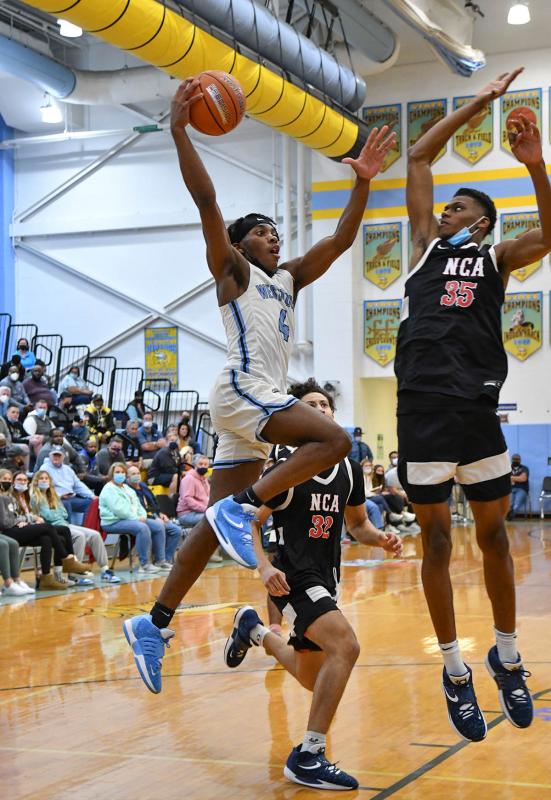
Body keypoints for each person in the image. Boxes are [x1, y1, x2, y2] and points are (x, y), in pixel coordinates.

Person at [122, 80, 396, 695]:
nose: (275, 236)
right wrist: (178, 131)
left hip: (250, 403)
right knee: (333, 439)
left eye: (277, 231)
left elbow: (341, 241)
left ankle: (153, 620)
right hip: (245, 390)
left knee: (205, 531)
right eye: (264, 231)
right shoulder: (234, 270)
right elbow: (207, 202)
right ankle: (245, 506)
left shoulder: (290, 279)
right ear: (242, 244)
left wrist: (363, 181)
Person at [394, 68, 545, 741]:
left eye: (458, 208)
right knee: (433, 539)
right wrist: (477, 104)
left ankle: (506, 655)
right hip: (420, 406)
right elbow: (418, 156)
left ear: (481, 221)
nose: (446, 212)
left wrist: (535, 165)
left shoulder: (498, 258)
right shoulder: (425, 247)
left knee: (491, 539)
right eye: (446, 207)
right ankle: (453, 669)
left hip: (475, 406)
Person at [222, 378, 402, 790]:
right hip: (292, 576)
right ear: (299, 418)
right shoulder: (286, 466)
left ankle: (252, 628)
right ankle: (309, 754)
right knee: (346, 645)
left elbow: (357, 524)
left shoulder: (349, 468)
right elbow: (248, 519)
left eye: (326, 404)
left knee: (311, 677)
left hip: (326, 577)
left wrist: (380, 539)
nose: (321, 409)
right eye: (311, 405)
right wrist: (263, 567)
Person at [30, 470, 120, 584]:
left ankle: (105, 570)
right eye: (41, 478)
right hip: (53, 527)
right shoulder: (35, 497)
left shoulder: (53, 495)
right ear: (36, 481)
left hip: (64, 524)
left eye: (46, 478)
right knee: (79, 536)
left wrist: (54, 513)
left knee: (95, 535)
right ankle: (75, 574)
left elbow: (64, 513)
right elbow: (48, 516)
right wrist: (55, 513)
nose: (44, 480)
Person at [5, 469, 89, 588]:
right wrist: (29, 519)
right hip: (14, 530)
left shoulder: (25, 496)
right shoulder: (9, 496)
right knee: (49, 527)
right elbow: (11, 517)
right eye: (19, 480)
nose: (22, 482)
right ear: (13, 482)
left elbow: (27, 515)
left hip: (26, 527)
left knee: (51, 537)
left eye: (25, 480)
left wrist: (30, 518)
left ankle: (46, 578)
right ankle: (68, 559)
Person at [99, 463, 162, 574]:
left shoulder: (127, 488)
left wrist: (142, 516)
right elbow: (119, 510)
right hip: (113, 521)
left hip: (130, 519)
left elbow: (138, 505)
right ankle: (144, 565)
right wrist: (137, 518)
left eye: (122, 472)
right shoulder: (109, 489)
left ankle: (160, 560)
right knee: (142, 528)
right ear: (111, 474)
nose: (120, 474)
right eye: (117, 472)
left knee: (158, 526)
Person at [126, 465, 181, 570]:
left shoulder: (143, 486)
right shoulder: (127, 489)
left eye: (138, 473)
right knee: (159, 526)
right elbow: (134, 509)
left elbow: (154, 501)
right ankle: (160, 560)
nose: (137, 476)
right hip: (142, 517)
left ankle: (166, 559)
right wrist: (153, 517)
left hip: (154, 515)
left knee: (176, 530)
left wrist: (160, 513)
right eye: (133, 474)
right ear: (127, 477)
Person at [42, 446, 94, 522]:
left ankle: (85, 528)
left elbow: (78, 485)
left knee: (92, 503)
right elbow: (43, 489)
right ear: (50, 456)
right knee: (66, 504)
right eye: (54, 455)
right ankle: (68, 529)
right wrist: (59, 496)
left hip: (71, 497)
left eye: (59, 455)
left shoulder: (68, 469)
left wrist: (92, 496)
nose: (56, 457)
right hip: (55, 499)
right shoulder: (44, 468)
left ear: (63, 457)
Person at [176, 454, 210, 528]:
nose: (203, 466)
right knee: (211, 519)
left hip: (200, 512)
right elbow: (188, 499)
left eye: (205, 464)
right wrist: (205, 509)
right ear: (195, 465)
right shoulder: (189, 479)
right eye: (201, 464)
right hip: (187, 514)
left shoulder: (204, 479)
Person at [509, 453, 530, 519]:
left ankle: (510, 516)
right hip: (510, 489)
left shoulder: (524, 468)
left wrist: (511, 477)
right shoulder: (508, 468)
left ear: (520, 460)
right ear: (511, 460)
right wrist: (518, 478)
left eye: (517, 459)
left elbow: (523, 479)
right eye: (514, 459)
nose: (515, 460)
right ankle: (509, 514)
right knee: (509, 504)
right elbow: (504, 479)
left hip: (522, 489)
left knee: (517, 504)